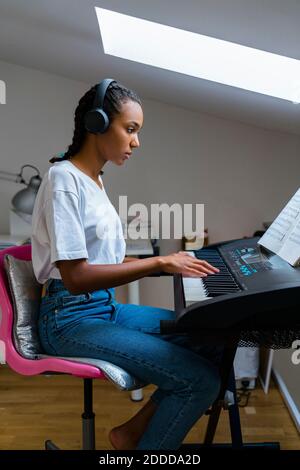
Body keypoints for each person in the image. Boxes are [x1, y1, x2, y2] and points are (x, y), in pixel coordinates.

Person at [31, 78, 221, 450]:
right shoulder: (63, 179)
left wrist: (167, 264)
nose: (136, 142)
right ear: (97, 124)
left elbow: (108, 262)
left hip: (103, 308)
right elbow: (75, 277)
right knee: (200, 381)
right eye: (130, 130)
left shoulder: (94, 180)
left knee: (212, 338)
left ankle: (130, 434)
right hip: (69, 320)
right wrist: (157, 263)